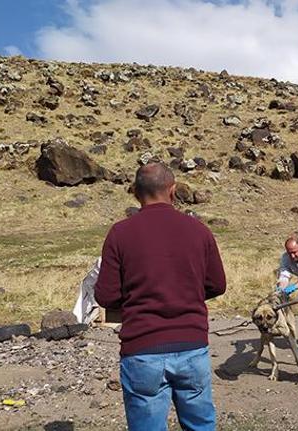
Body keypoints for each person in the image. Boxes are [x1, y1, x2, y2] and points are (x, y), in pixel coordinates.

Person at [95, 162, 226, 431]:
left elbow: (106, 296)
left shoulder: (120, 233)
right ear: (173, 190)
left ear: (135, 193)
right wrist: (185, 292)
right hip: (192, 346)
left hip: (142, 348)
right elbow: (217, 284)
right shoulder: (199, 230)